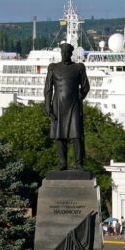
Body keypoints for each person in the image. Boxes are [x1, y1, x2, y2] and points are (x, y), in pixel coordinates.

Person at [43, 42, 90, 170]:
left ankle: (79, 163)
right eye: (62, 53)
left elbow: (85, 86)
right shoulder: (53, 67)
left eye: (67, 53)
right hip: (58, 105)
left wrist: (80, 96)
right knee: (60, 136)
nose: (64, 55)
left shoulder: (78, 67)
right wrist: (48, 106)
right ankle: (63, 162)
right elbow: (48, 88)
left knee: (77, 135)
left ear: (71, 54)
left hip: (73, 105)